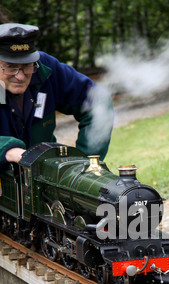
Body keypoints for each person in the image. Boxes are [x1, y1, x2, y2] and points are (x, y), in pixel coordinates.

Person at [0, 23, 114, 172]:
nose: (20, 76)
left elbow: (99, 101)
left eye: (27, 66)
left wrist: (86, 165)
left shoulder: (45, 67)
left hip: (43, 175)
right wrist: (7, 149)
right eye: (11, 67)